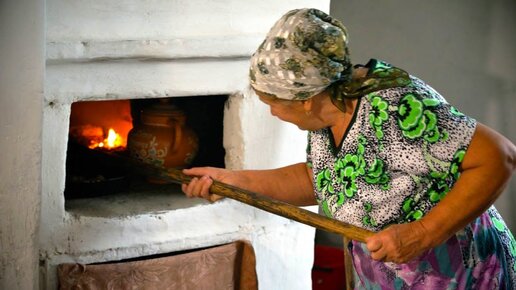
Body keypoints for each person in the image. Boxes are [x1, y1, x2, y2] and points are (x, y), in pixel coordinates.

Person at [181, 8, 516, 289]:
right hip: (396, 276)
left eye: (274, 103)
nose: (272, 112)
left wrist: (421, 233)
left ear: (307, 99)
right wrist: (230, 180)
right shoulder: (331, 112)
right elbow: (322, 181)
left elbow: (499, 156)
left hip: (459, 270)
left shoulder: (394, 109)